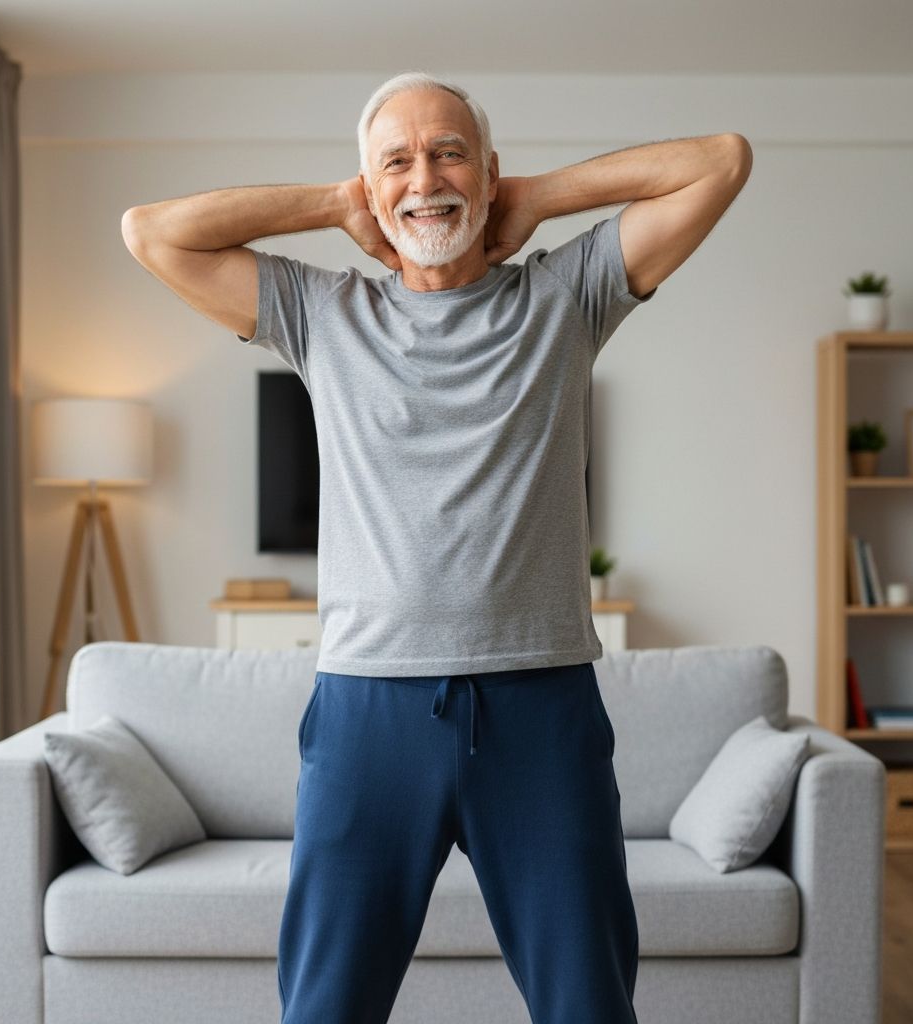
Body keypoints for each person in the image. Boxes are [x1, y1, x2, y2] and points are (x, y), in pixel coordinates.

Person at [122, 71, 752, 1024]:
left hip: (540, 708)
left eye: (451, 154)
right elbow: (150, 233)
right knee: (324, 1009)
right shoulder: (322, 314)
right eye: (398, 162)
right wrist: (336, 202)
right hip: (367, 714)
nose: (426, 179)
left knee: (588, 1005)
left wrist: (534, 197)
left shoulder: (567, 294)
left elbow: (720, 163)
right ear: (371, 186)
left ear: (488, 172)